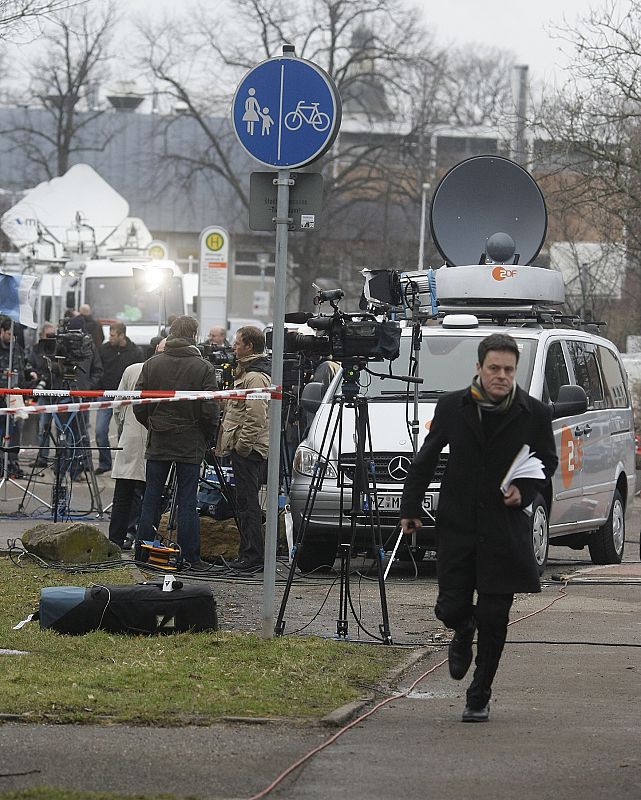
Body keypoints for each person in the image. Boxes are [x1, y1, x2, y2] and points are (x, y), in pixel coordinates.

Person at [399, 333, 558, 723]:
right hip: (458, 524)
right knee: (450, 605)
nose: (501, 376)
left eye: (508, 369)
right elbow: (426, 459)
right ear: (479, 368)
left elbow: (547, 461)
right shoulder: (453, 406)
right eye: (494, 368)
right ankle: (461, 625)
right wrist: (411, 506)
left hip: (504, 530)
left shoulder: (533, 412)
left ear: (515, 371)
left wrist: (524, 489)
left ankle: (479, 693)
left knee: (495, 616)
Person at [134, 316, 219, 572]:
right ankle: (190, 558)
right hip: (190, 441)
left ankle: (143, 553)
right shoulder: (204, 368)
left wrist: (153, 424)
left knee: (151, 498)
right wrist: (205, 436)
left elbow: (140, 404)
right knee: (186, 501)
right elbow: (210, 410)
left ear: (171, 334)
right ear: (194, 335)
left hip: (159, 439)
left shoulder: (151, 364)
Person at [216, 325, 271, 572]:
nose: (233, 347)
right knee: (244, 503)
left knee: (249, 505)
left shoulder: (255, 377)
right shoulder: (247, 373)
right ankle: (247, 554)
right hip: (245, 450)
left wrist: (243, 447)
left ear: (249, 345)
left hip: (249, 452)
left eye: (237, 343)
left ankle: (252, 557)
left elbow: (256, 417)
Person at [108, 339, 165, 550]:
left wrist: (123, 428)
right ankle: (143, 540)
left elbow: (117, 406)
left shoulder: (132, 370)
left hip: (131, 437)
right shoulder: (165, 371)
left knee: (123, 492)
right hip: (156, 438)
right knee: (149, 494)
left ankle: (114, 539)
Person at [95, 323, 141, 475]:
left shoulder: (135, 352)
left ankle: (123, 465)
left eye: (113, 335)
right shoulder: (103, 350)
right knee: (100, 431)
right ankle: (105, 462)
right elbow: (98, 369)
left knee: (124, 433)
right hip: (106, 395)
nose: (110, 338)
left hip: (125, 397)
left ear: (122, 335)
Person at [0, 317, 36, 478]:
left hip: (15, 396)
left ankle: (12, 461)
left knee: (16, 428)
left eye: (13, 335)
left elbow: (24, 365)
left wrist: (30, 373)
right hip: (1, 395)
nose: (11, 337)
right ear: (1, 332)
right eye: (8, 334)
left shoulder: (17, 348)